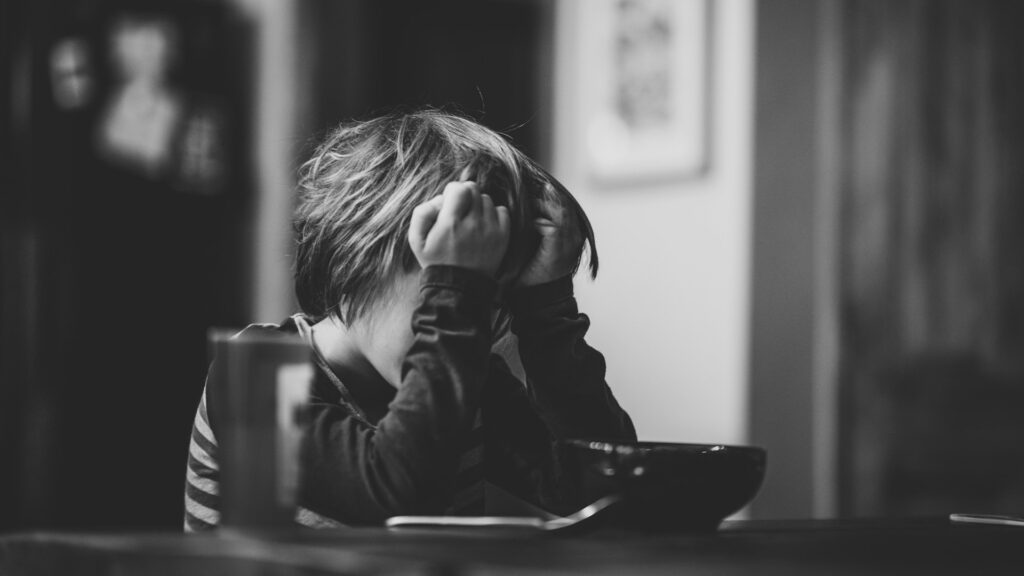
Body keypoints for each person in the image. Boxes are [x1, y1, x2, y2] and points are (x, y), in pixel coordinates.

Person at [184, 110, 636, 530]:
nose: (470, 324)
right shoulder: (253, 372)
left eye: (490, 305)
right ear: (363, 252)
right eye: (446, 292)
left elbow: (597, 483)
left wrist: (546, 310)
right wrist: (459, 291)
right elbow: (395, 495)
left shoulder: (462, 375)